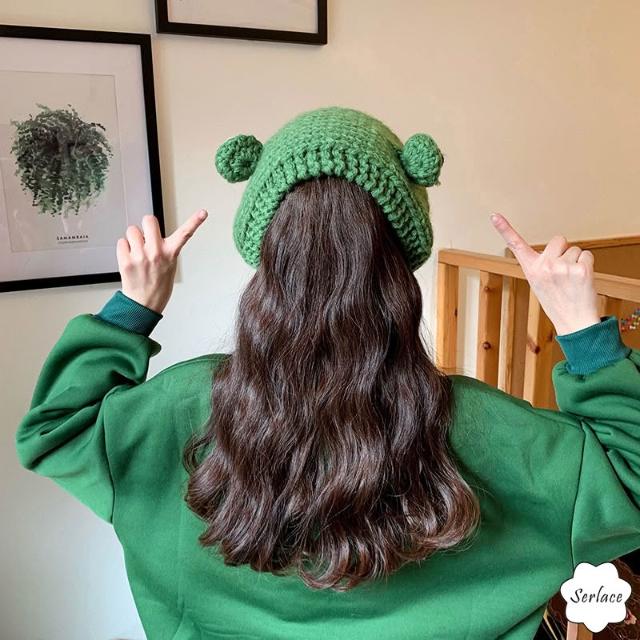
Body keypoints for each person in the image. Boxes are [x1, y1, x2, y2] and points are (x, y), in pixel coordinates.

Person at [16, 106, 640, 640]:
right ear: (398, 268)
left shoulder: (183, 409)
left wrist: (132, 307)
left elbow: (56, 431)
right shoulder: (487, 431)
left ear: (267, 257)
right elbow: (630, 479)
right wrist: (582, 329)